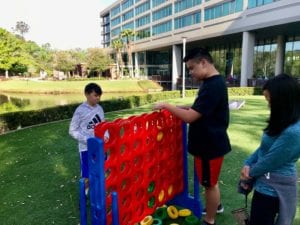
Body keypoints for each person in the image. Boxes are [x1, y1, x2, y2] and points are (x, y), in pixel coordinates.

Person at [153, 48, 231, 225]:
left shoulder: (212, 86)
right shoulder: (213, 83)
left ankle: (209, 220)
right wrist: (185, 106)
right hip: (210, 144)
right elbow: (202, 108)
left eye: (191, 68)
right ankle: (216, 206)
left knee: (210, 185)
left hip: (209, 147)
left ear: (203, 63)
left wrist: (167, 105)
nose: (191, 72)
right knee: (211, 182)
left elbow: (190, 117)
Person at [239, 74, 300, 225]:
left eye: (269, 100)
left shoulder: (294, 131)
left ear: (282, 100)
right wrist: (248, 163)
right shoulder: (281, 120)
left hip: (275, 189)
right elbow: (264, 148)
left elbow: (270, 161)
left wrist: (249, 174)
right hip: (263, 182)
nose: (268, 104)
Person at [69, 83, 105, 183]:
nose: (98, 98)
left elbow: (103, 125)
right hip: (86, 148)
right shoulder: (80, 110)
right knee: (87, 175)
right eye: (95, 95)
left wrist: (106, 136)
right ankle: (84, 195)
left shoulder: (99, 109)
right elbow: (72, 130)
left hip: (99, 147)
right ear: (86, 94)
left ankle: (100, 191)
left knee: (101, 170)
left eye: (99, 96)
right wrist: (88, 140)